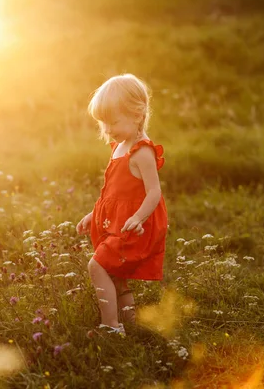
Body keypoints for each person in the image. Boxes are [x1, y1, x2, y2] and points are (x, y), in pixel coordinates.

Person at [76, 73, 168, 336]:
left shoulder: (141, 152)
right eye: (103, 124)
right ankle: (129, 323)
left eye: (113, 122)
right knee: (115, 273)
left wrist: (138, 218)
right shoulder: (119, 146)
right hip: (116, 221)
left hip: (135, 225)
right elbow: (113, 193)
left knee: (98, 266)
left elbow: (154, 192)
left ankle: (110, 327)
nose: (108, 130)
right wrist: (92, 214)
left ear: (137, 115)